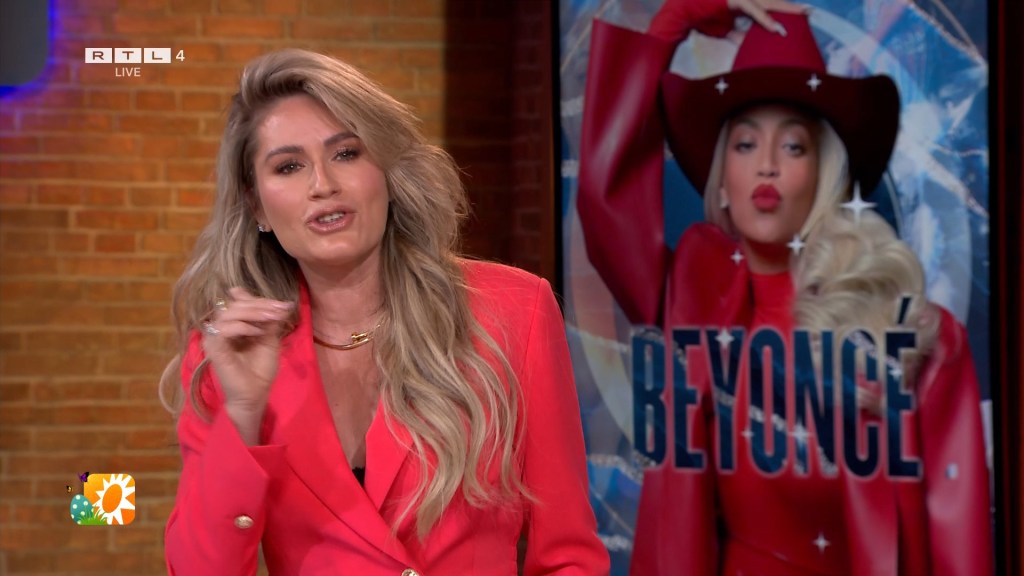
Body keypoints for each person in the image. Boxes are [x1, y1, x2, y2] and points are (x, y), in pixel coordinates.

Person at [577, 0, 992, 574]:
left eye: (793, 146)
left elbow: (958, 545)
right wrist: (676, 19)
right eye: (745, 144)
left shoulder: (916, 335)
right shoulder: (686, 294)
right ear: (723, 180)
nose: (767, 165)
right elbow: (606, 203)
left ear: (824, 173)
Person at [159, 48, 610, 575]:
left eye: (346, 153)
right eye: (289, 166)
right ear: (257, 204)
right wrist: (241, 413)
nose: (322, 184)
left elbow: (568, 556)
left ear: (387, 172)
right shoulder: (229, 354)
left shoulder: (513, 310)